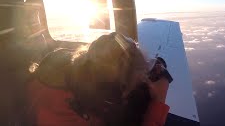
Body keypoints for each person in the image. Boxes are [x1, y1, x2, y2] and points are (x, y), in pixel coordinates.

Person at [27, 32, 170, 126]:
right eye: (135, 83)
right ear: (110, 94)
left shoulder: (75, 65)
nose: (143, 81)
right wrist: (159, 102)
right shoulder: (63, 117)